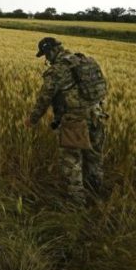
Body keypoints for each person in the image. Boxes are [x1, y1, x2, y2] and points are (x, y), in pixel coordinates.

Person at [24, 37, 108, 206]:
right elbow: (101, 89)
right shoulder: (85, 61)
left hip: (75, 121)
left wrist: (32, 120)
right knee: (94, 158)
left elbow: (44, 99)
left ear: (51, 51)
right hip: (98, 116)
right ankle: (96, 195)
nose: (46, 59)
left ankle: (76, 204)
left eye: (46, 55)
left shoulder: (58, 70)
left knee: (71, 162)